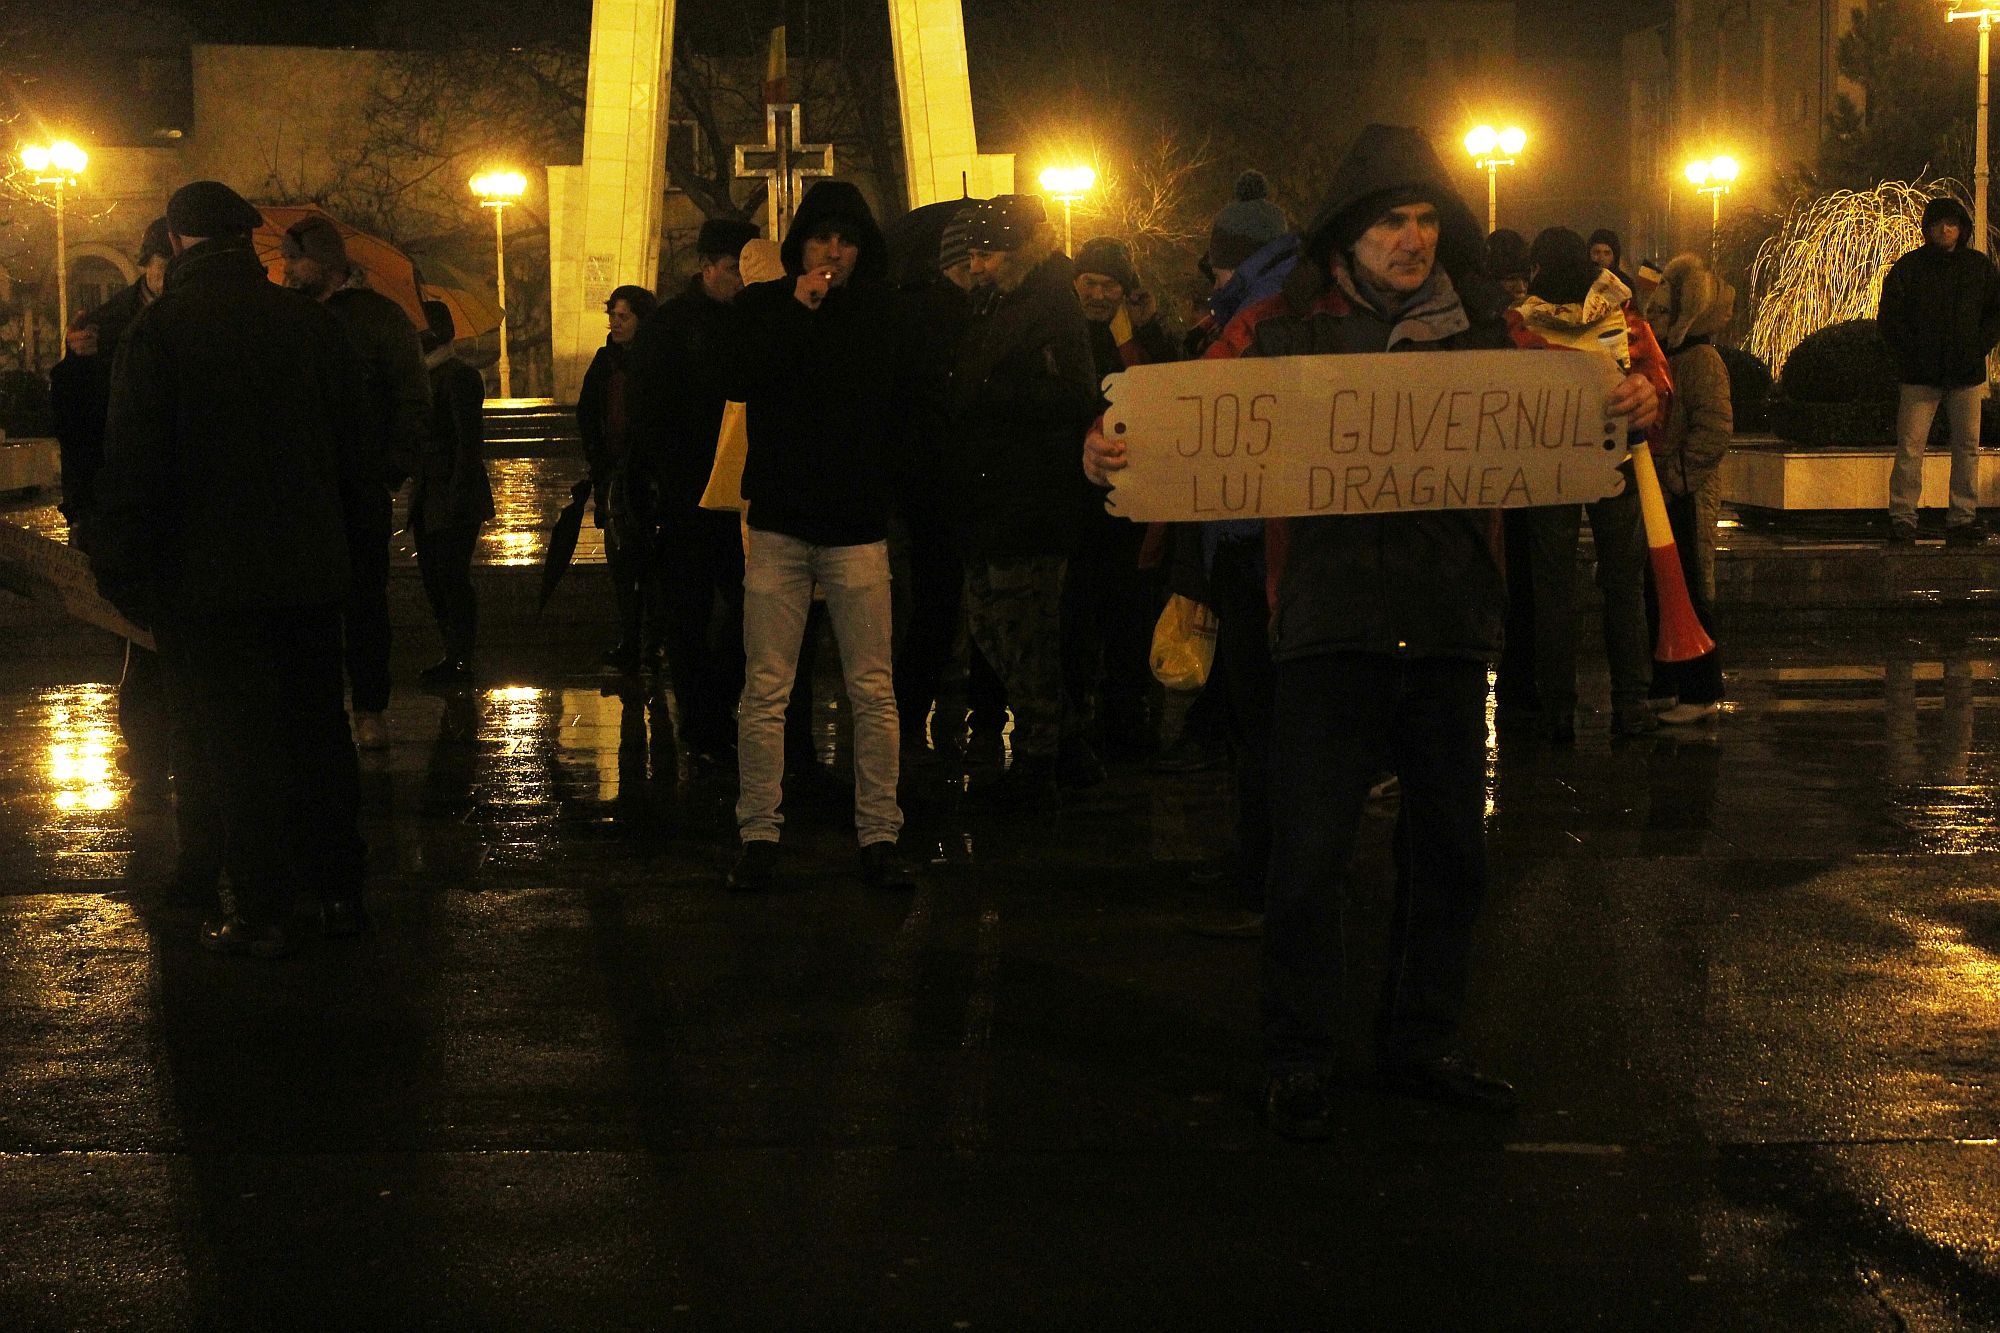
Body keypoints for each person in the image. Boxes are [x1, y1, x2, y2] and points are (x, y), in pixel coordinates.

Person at [1086, 125, 1661, 1140]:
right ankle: (1297, 1053)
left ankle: (1422, 1041)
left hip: (1447, 626)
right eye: (1391, 219)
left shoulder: (1489, 329)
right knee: (1306, 859)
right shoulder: (1276, 329)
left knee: (1448, 855)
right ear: (1348, 234)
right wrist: (1109, 452)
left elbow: (1589, 409)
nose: (1411, 237)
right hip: (1322, 629)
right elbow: (1177, 426)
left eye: (1426, 217)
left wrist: (1632, 401)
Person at [91, 180, 372, 957]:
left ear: (179, 241)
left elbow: (134, 468)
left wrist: (124, 574)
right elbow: (358, 457)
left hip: (206, 580)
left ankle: (262, 905)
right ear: (246, 239)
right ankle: (338, 890)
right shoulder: (308, 327)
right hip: (308, 571)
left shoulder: (162, 333)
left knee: (232, 739)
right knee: (318, 730)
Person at [717, 180, 914, 891]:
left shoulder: (884, 314)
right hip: (779, 523)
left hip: (856, 525)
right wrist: (797, 313)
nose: (833, 251)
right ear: (799, 243)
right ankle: (759, 831)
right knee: (766, 687)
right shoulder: (763, 308)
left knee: (872, 688)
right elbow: (740, 378)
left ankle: (880, 832)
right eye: (822, 237)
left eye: (847, 239)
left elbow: (893, 404)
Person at [949, 194, 1101, 807]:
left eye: (986, 253)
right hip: (995, 494)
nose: (977, 265)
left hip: (1031, 497)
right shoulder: (1001, 302)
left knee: (1024, 630)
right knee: (992, 624)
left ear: (1015, 253)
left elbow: (1077, 393)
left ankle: (1043, 759)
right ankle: (1067, 746)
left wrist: (999, 394)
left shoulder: (1049, 302)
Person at [1504, 227, 1664, 742]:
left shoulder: (1520, 324)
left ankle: (1557, 708)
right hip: (1616, 460)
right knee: (1623, 582)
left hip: (1547, 471)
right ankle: (1631, 702)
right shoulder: (1624, 316)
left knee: (1551, 587)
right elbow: (1657, 379)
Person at [282, 214, 429, 751]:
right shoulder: (286, 318)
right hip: (300, 489)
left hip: (357, 484)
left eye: (295, 259)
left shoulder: (378, 319)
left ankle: (370, 707)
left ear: (323, 262)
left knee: (365, 603)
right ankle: (319, 710)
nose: (288, 269)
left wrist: (388, 470)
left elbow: (412, 399)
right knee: (306, 605)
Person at [48, 216, 175, 805]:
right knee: (135, 631)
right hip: (121, 496)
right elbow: (78, 429)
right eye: (164, 262)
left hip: (178, 492)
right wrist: (80, 364)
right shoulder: (107, 325)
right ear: (149, 262)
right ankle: (148, 744)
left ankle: (171, 739)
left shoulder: (194, 316)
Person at [627, 218, 760, 767]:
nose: (740, 281)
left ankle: (719, 703)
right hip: (689, 491)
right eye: (733, 270)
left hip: (747, 490)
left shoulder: (755, 319)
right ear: (708, 267)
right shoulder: (670, 327)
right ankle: (701, 718)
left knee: (750, 604)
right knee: (689, 609)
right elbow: (649, 410)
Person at [1066, 235, 1175, 766]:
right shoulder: (1061, 332)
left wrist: (1147, 328)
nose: (1100, 294)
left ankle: (1124, 721)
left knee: (1128, 611)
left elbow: (1159, 386)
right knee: (1080, 613)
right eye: (1092, 282)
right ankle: (1079, 723)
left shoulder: (1132, 336)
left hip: (1131, 501)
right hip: (1077, 500)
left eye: (1111, 284)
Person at [1878, 195, 2000, 544]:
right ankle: (1903, 517)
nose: (1945, 230)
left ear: (1961, 229)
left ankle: (1962, 518)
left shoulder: (1978, 268)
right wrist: (1910, 354)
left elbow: (1994, 313)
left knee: (1967, 447)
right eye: (1938, 224)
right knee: (1910, 447)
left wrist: (1979, 346)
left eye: (1952, 224)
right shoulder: (1910, 268)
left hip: (1965, 374)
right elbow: (1891, 318)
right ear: (1927, 228)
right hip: (1920, 375)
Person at [1644, 254, 1734, 723]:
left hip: (1686, 492)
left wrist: (1679, 476)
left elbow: (1715, 429)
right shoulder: (1666, 357)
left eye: (1660, 311)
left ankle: (1699, 690)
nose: (1651, 318)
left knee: (1690, 588)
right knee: (1658, 587)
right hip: (1663, 486)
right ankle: (1666, 683)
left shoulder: (1700, 359)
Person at [410, 299, 494, 685]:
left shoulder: (458, 377)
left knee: (451, 576)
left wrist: (458, 493)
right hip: (429, 494)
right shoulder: (423, 377)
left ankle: (462, 656)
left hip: (453, 495)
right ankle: (451, 652)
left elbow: (467, 441)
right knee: (433, 577)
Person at [577, 283, 659, 671]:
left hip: (650, 474)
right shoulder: (604, 361)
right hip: (614, 473)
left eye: (623, 317)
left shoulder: (656, 359)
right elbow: (588, 413)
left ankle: (654, 642)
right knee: (621, 561)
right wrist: (599, 460)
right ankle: (631, 639)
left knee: (653, 563)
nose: (615, 323)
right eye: (612, 316)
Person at [1586, 227, 1637, 297]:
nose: (1601, 258)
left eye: (1607, 253)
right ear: (1589, 254)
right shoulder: (1582, 282)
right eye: (1597, 252)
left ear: (1614, 257)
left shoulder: (1625, 283)